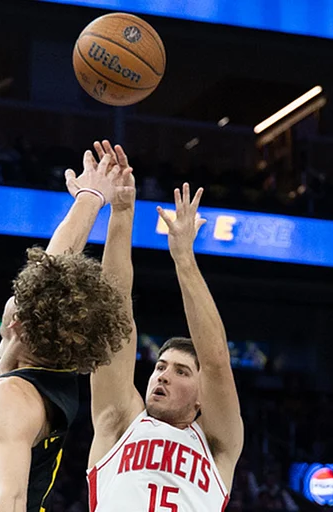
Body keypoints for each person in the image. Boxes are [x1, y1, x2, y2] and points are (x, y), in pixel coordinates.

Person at [0, 150, 134, 512]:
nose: (15, 300)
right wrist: (96, 199)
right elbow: (53, 267)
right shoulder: (47, 366)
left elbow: (9, 501)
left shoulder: (12, 398)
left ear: (16, 325)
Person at [86, 147, 244, 512]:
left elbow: (217, 361)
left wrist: (184, 258)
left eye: (181, 371)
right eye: (160, 366)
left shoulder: (219, 445)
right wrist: (122, 212)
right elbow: (115, 311)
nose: (163, 376)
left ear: (202, 397)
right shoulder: (120, 423)